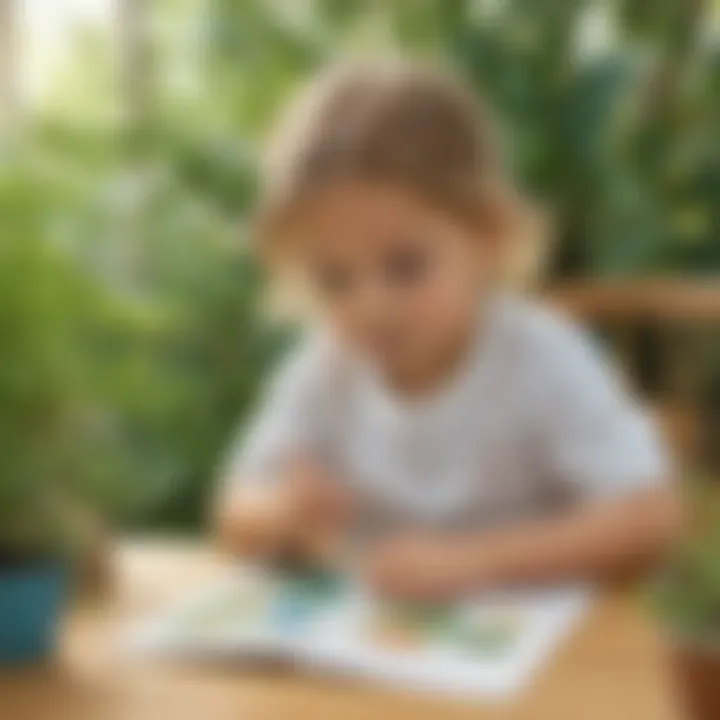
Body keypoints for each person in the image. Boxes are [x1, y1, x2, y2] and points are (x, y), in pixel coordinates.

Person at [214, 61, 680, 602]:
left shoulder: (542, 357)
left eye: (406, 266)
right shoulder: (325, 368)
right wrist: (281, 513)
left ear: (487, 236)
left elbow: (651, 518)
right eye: (333, 280)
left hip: (540, 663)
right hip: (382, 658)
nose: (371, 306)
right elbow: (234, 511)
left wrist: (473, 563)